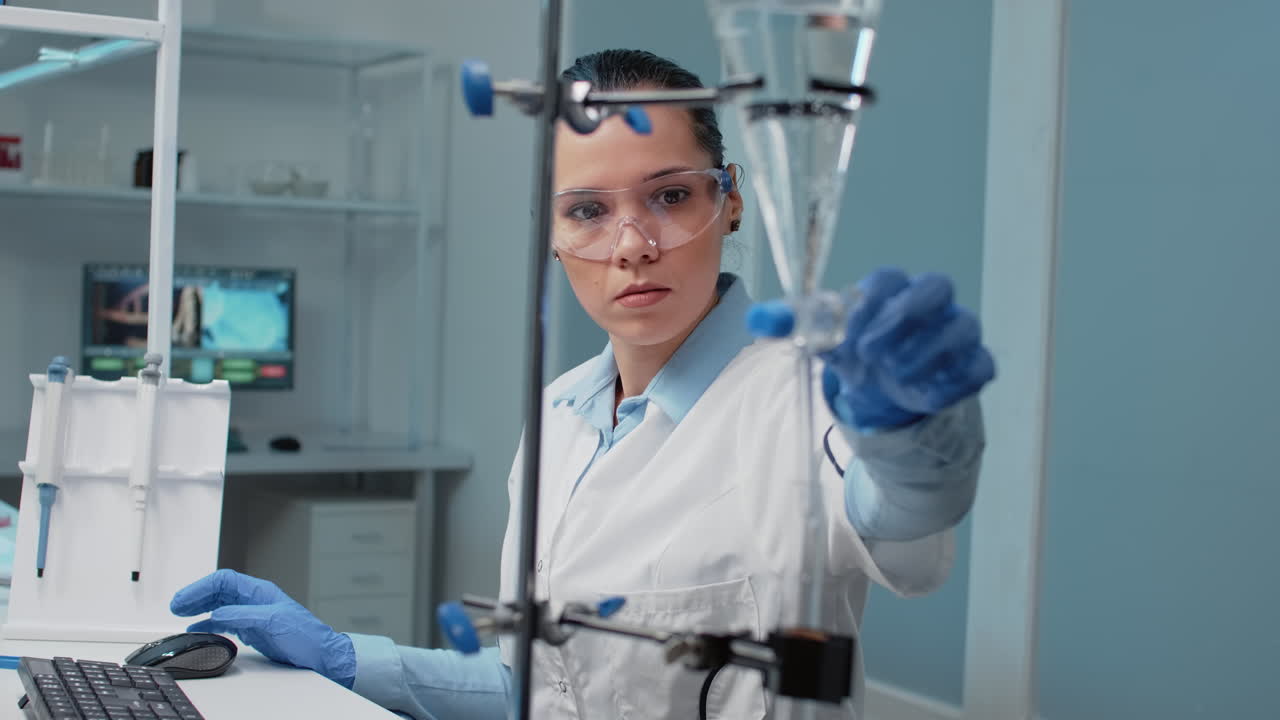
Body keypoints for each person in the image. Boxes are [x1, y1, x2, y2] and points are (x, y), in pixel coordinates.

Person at [169, 49, 995, 719]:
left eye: (670, 195)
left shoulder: (812, 399)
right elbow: (538, 690)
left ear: (731, 201)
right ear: (553, 232)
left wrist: (918, 430)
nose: (632, 244)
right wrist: (351, 661)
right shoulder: (560, 416)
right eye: (588, 211)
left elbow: (905, 519)